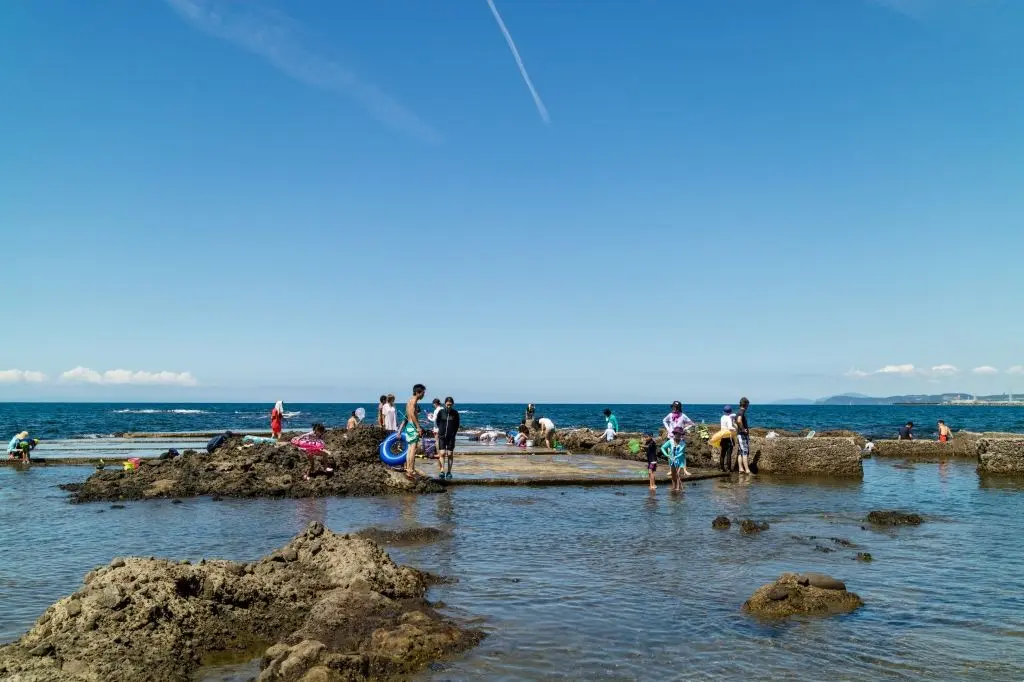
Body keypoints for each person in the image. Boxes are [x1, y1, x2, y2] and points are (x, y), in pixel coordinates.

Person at [400, 384, 427, 478]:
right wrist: (418, 427)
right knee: (413, 448)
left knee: (410, 448)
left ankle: (409, 469)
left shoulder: (410, 400)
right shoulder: (413, 401)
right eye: (423, 393)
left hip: (409, 426)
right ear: (418, 392)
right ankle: (410, 470)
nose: (424, 395)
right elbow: (411, 414)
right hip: (412, 426)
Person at [435, 397, 460, 480]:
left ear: (452, 404)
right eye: (447, 404)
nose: (449, 406)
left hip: (451, 437)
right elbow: (437, 422)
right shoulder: (441, 412)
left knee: (450, 454)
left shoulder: (455, 413)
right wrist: (441, 430)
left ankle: (449, 472)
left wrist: (453, 433)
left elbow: (457, 425)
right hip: (442, 436)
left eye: (450, 404)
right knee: (442, 453)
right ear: (445, 404)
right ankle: (442, 470)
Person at [736, 397, 752, 474]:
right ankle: (747, 470)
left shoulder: (738, 412)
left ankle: (741, 469)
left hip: (739, 434)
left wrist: (739, 429)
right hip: (742, 435)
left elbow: (735, 422)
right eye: (747, 405)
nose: (748, 406)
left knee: (740, 452)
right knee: (745, 452)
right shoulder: (741, 411)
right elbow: (739, 420)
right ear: (745, 404)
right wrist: (743, 429)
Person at [719, 406, 737, 473]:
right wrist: (736, 429)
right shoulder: (729, 418)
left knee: (722, 453)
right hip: (729, 438)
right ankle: (728, 469)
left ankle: (722, 468)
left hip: (722, 437)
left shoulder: (722, 417)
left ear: (723, 411)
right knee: (729, 454)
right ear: (730, 411)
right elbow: (730, 427)